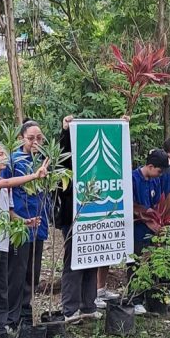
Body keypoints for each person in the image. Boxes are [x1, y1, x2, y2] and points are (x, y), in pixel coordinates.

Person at [0, 141, 47, 338]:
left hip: (3, 243)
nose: (4, 158)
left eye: (5, 154)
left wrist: (25, 222)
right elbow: (5, 184)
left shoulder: (6, 186)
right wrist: (34, 175)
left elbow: (9, 212)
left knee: (0, 288)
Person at [54, 115, 101, 323]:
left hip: (94, 214)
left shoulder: (94, 161)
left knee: (92, 258)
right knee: (74, 260)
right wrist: (65, 131)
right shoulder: (68, 163)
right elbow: (62, 156)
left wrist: (123, 127)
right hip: (72, 216)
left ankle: (88, 304)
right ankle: (70, 308)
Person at [127, 148, 170, 314]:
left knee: (153, 262)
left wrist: (161, 221)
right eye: (159, 171)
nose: (161, 174)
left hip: (153, 229)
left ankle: (151, 296)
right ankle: (135, 298)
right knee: (136, 263)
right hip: (137, 229)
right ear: (150, 166)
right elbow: (132, 206)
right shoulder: (132, 179)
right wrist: (148, 220)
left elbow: (158, 202)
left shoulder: (156, 180)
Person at [6, 120, 49, 330]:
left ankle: (25, 312)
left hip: (39, 222)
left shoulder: (46, 160)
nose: (35, 142)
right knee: (17, 272)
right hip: (20, 224)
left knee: (33, 271)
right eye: (31, 138)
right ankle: (11, 317)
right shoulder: (12, 162)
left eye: (39, 138)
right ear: (21, 138)